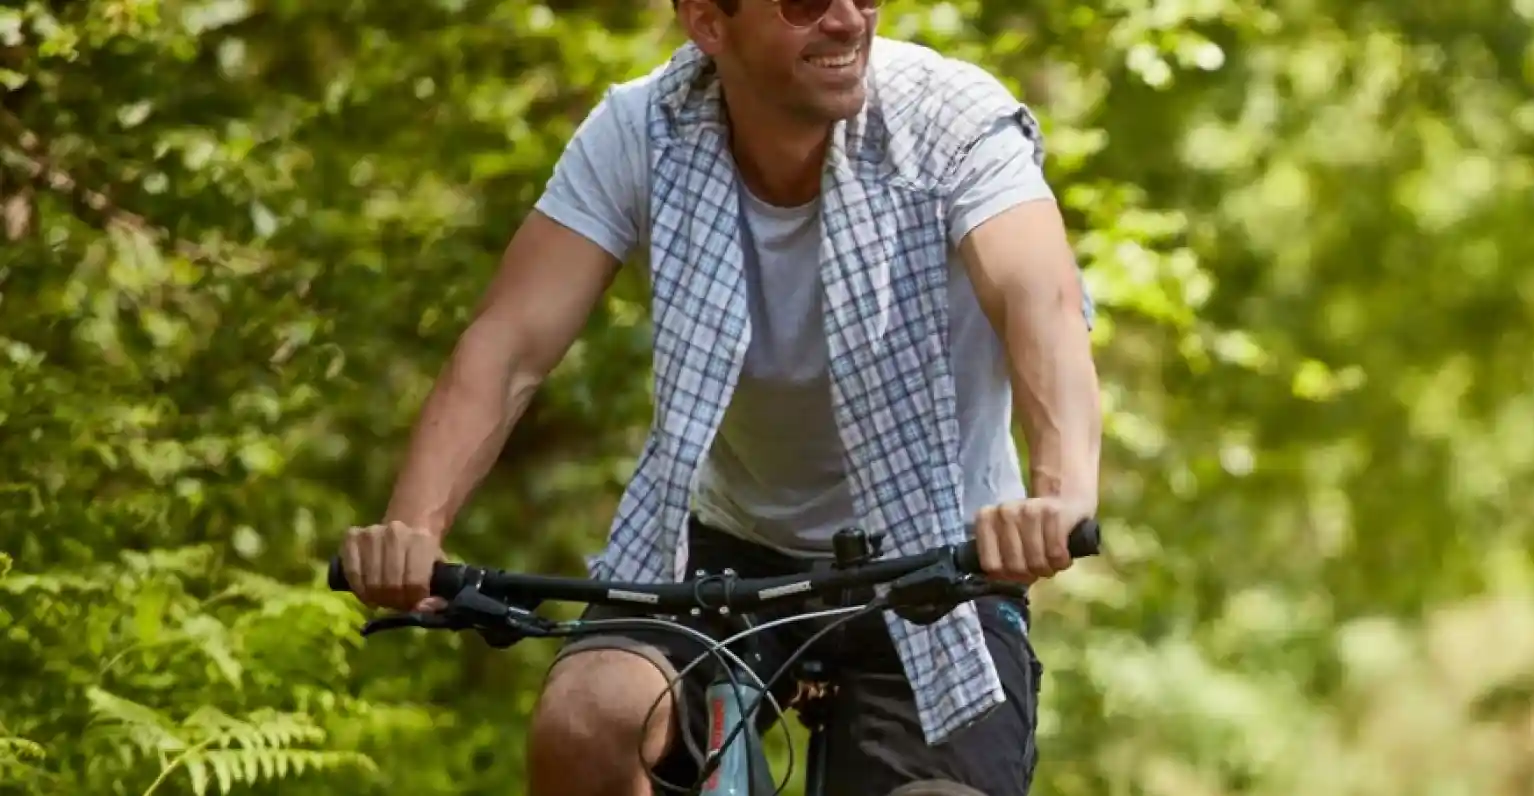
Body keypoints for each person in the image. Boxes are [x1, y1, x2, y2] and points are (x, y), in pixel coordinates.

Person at [333, 0, 1102, 794]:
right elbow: (508, 347)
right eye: (805, 3)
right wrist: (412, 529)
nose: (846, 21)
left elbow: (1037, 301)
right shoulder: (642, 129)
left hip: (935, 556)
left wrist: (1059, 497)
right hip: (724, 549)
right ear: (707, 21)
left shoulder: (952, 120)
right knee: (587, 723)